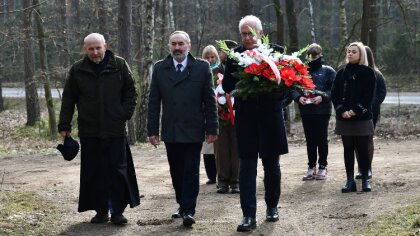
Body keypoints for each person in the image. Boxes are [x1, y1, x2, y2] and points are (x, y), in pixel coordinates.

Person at [58, 33, 140, 225]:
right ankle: (101, 211)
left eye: (98, 48)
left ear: (105, 46)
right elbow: (68, 99)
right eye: (91, 49)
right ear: (85, 50)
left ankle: (117, 211)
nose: (95, 52)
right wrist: (64, 125)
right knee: (94, 173)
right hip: (89, 130)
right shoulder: (77, 70)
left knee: (117, 172)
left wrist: (123, 113)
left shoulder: (119, 65)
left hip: (115, 129)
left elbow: (131, 91)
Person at [222, 15, 288, 232]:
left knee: (271, 165)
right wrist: (246, 82)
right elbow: (228, 85)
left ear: (261, 33)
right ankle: (248, 215)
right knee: (247, 167)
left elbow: (288, 83)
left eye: (251, 33)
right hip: (246, 119)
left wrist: (276, 95)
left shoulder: (276, 51)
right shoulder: (235, 57)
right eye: (243, 34)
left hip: (271, 117)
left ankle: (272, 207)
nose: (247, 37)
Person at [147, 31, 218, 227]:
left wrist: (212, 128)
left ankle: (188, 210)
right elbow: (153, 102)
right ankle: (182, 204)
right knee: (176, 171)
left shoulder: (202, 68)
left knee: (191, 171)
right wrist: (152, 130)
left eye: (181, 44)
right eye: (174, 44)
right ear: (169, 46)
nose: (177, 48)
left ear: (189, 45)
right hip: (171, 129)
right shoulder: (160, 68)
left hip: (194, 129)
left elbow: (210, 101)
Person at [331, 42, 376, 193]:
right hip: (344, 118)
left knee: (362, 148)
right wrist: (342, 110)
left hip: (362, 117)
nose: (350, 54)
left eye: (354, 52)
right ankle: (350, 181)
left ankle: (365, 180)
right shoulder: (341, 73)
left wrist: (356, 110)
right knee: (348, 148)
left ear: (361, 54)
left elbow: (368, 96)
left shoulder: (368, 73)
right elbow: (335, 95)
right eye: (349, 51)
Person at [291, 43, 336, 181]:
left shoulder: (328, 71)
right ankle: (311, 166)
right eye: (310, 56)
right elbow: (292, 87)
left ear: (320, 55)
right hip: (306, 110)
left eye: (315, 56)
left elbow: (334, 90)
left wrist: (322, 97)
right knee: (310, 139)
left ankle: (323, 166)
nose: (312, 58)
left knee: (321, 139)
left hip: (323, 110)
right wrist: (299, 98)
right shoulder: (301, 71)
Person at [212, 42, 241, 194]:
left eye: (227, 51)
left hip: (237, 115)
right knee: (221, 149)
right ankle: (222, 181)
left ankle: (236, 182)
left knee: (236, 149)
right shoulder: (213, 71)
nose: (224, 54)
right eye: (222, 51)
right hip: (220, 115)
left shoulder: (240, 69)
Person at [355, 46, 387, 179]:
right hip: (355, 112)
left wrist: (368, 106)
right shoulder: (354, 72)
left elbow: (381, 93)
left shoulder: (377, 74)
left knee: (367, 139)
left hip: (371, 112)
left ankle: (367, 168)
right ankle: (361, 169)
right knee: (356, 140)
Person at [200, 45, 219, 185]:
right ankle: (211, 175)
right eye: (207, 57)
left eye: (212, 57)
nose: (210, 60)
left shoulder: (221, 70)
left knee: (219, 147)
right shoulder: (200, 71)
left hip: (221, 110)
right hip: (204, 112)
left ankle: (221, 173)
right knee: (207, 147)